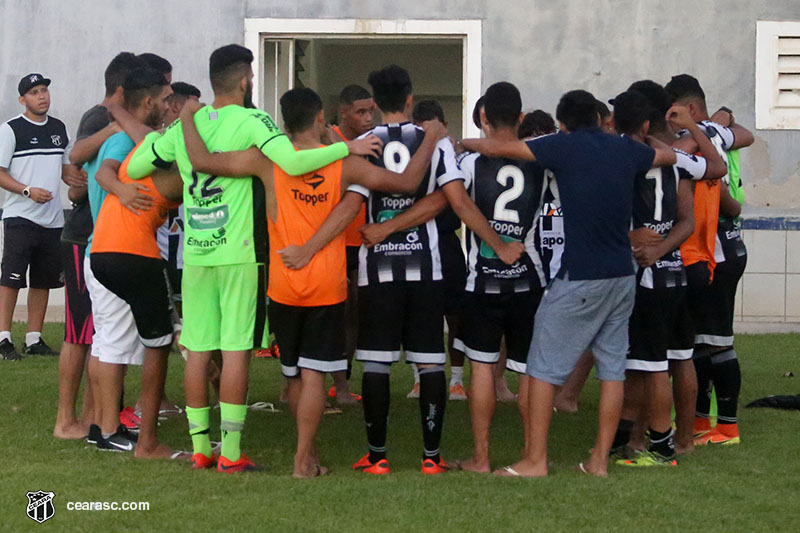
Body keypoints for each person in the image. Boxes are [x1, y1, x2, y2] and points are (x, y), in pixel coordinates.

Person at [126, 44, 380, 473]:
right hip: (239, 251)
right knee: (237, 350)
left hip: (197, 252)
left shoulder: (189, 124)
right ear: (246, 80)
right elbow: (292, 163)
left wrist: (171, 156)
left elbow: (135, 171)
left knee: (199, 348)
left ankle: (200, 449)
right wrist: (345, 150)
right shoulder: (252, 120)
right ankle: (230, 452)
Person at [182, 85, 443, 477]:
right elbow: (407, 183)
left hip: (283, 283)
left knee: (294, 379)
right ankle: (304, 457)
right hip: (325, 284)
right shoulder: (346, 165)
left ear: (284, 124)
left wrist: (187, 117)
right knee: (315, 374)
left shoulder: (265, 160)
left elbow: (200, 160)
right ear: (321, 119)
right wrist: (433, 138)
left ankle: (309, 451)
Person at [461, 89, 676, 477]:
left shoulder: (561, 146)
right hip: (623, 276)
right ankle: (598, 460)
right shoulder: (626, 150)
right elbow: (671, 156)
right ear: (598, 118)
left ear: (561, 124)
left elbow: (503, 149)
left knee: (541, 370)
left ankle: (535, 461)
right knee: (613, 371)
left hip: (580, 276)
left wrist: (462, 141)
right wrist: (647, 135)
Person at [350, 65, 523, 476]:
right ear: (410, 99)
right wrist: (497, 244)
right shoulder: (436, 143)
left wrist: (382, 227)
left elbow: (351, 201)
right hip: (426, 267)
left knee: (375, 362)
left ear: (375, 103)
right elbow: (452, 201)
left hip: (377, 269)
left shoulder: (362, 143)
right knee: (429, 361)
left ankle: (377, 456)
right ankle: (431, 457)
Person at [609, 89, 725, 466]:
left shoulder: (622, 161)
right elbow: (692, 212)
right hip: (675, 272)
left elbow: (606, 219)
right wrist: (690, 127)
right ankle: (684, 439)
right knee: (680, 357)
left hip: (647, 274)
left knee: (649, 366)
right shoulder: (676, 159)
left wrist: (648, 247)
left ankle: (650, 445)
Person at [453, 82, 546, 472]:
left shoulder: (470, 162)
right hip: (530, 278)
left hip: (483, 279)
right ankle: (531, 453)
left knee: (483, 368)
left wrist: (494, 242)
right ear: (522, 118)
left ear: (484, 118)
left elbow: (457, 202)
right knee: (528, 372)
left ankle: (482, 457)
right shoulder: (543, 159)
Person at [83, 67, 172, 455]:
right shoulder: (143, 143)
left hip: (103, 248)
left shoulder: (139, 141)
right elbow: (102, 168)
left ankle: (101, 428)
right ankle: (109, 430)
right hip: (124, 249)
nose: (170, 110)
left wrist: (117, 109)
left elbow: (94, 164)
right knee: (123, 344)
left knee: (106, 342)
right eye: (167, 101)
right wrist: (121, 190)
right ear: (150, 102)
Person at [54, 52, 142, 439]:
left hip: (101, 237)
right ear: (125, 91)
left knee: (96, 332)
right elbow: (74, 164)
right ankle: (66, 420)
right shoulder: (99, 118)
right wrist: (84, 190)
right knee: (80, 332)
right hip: (84, 236)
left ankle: (93, 416)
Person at [665, 74, 754, 447]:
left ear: (690, 109)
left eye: (673, 113)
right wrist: (724, 120)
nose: (669, 122)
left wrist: (697, 128)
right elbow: (745, 135)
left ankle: (728, 427)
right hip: (718, 248)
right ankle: (701, 420)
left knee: (717, 341)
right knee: (699, 341)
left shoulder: (696, 139)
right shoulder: (714, 133)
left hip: (717, 251)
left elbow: (685, 154)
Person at [0, 73, 75, 360]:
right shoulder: (11, 129)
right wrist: (28, 191)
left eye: (44, 90)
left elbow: (68, 171)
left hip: (53, 220)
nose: (42, 96)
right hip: (20, 216)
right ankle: (3, 339)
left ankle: (34, 339)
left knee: (44, 281)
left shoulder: (59, 128)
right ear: (23, 99)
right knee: (12, 279)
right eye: (34, 92)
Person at [410, 99, 468, 401]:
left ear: (444, 126)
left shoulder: (457, 157)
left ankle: (456, 379)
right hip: (416, 241)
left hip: (446, 240)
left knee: (456, 314)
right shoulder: (409, 157)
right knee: (421, 313)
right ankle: (420, 378)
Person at [327, 84, 376, 405]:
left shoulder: (373, 143)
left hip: (363, 241)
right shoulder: (326, 137)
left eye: (371, 111)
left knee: (356, 315)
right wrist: (347, 147)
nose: (368, 118)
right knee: (330, 314)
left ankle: (342, 385)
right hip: (332, 240)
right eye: (360, 112)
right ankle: (301, 382)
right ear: (343, 112)